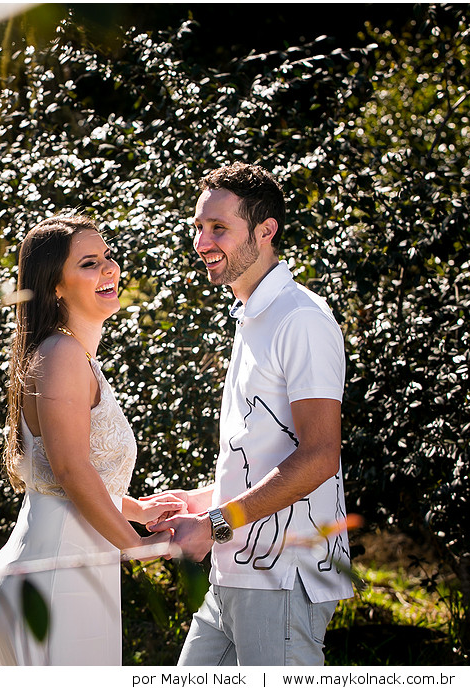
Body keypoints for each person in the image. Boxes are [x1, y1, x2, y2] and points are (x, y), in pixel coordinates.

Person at [146, 162, 353, 666]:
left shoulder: (300, 318)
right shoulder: (251, 315)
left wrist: (215, 523)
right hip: (233, 572)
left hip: (284, 576)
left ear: (265, 231)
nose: (202, 241)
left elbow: (321, 456)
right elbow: (262, 450)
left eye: (219, 228)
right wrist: (197, 502)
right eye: (199, 226)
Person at [0, 214, 182, 666]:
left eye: (108, 257)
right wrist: (138, 548)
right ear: (55, 286)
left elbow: (65, 474)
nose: (109, 268)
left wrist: (137, 510)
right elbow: (72, 471)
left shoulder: (67, 354)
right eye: (90, 263)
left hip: (65, 565)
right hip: (58, 574)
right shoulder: (63, 354)